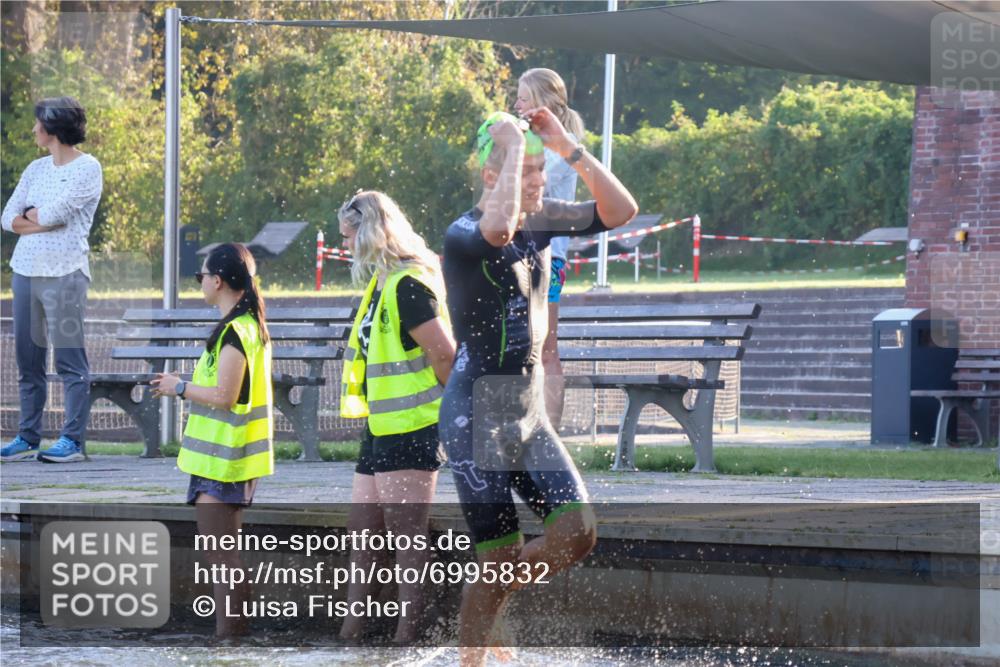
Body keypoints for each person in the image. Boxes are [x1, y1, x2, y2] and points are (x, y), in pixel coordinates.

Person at [440, 110, 638, 665]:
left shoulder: (545, 219)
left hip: (526, 409)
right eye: (525, 172)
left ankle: (491, 602)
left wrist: (567, 146)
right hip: (477, 410)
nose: (538, 181)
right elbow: (497, 230)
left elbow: (621, 210)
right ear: (490, 177)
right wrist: (507, 140)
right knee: (498, 557)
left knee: (577, 532)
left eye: (539, 171)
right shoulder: (462, 236)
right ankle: (473, 656)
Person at [336, 191, 456, 644]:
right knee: (363, 531)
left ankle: (408, 635)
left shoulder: (408, 284)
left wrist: (455, 414)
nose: (346, 247)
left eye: (349, 238)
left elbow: (444, 354)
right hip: (381, 426)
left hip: (413, 424)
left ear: (369, 233)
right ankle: (352, 633)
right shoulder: (382, 282)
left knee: (406, 535)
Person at [151, 243, 274, 638]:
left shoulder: (237, 332)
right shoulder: (239, 326)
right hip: (219, 462)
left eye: (200, 276)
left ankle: (230, 642)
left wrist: (179, 387)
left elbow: (225, 394)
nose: (200, 283)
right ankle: (232, 639)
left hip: (225, 462)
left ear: (217, 281)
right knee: (223, 557)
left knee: (223, 559)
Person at [0, 96, 103, 463]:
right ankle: (27, 438)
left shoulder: (88, 168)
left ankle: (71, 440)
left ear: (54, 128)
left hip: (65, 276)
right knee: (28, 361)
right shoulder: (35, 169)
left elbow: (61, 210)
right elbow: (7, 217)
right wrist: (38, 220)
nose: (33, 130)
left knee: (69, 361)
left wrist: (32, 218)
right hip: (25, 272)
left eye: (38, 123)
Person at [513, 68, 585, 431]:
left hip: (547, 257)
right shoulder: (527, 142)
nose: (516, 105)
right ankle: (520, 428)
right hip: (516, 255)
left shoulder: (561, 144)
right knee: (517, 347)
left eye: (523, 99)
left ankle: (550, 436)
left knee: (546, 348)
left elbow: (526, 184)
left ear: (544, 104)